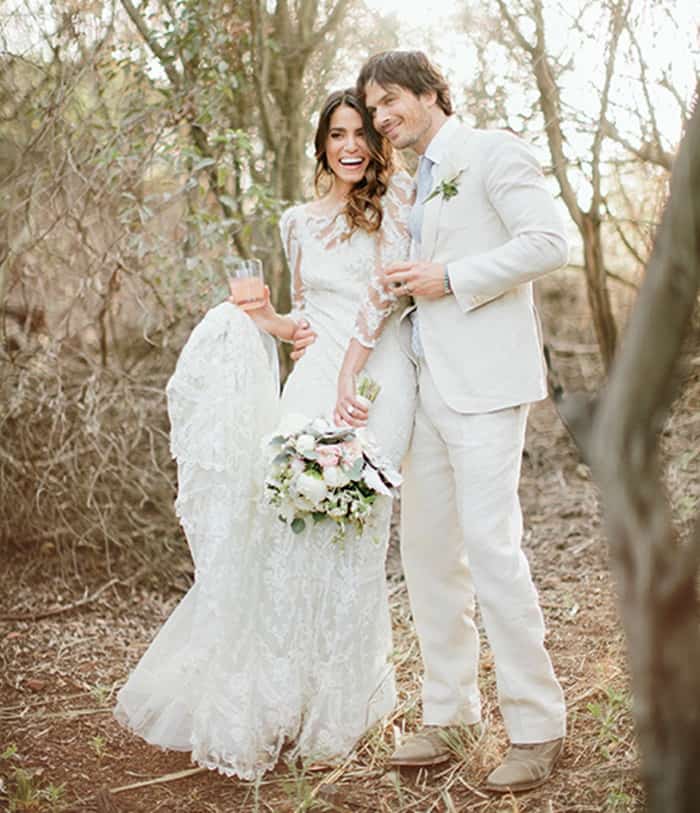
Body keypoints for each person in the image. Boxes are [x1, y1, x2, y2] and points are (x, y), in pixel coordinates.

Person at [113, 88, 416, 779]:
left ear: (377, 142)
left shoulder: (399, 204)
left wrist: (350, 377)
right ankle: (277, 698)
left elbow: (387, 297)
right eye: (336, 133)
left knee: (356, 529)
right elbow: (304, 311)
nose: (349, 145)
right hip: (310, 379)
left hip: (376, 379)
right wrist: (263, 319)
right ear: (321, 142)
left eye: (360, 133)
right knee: (283, 527)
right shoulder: (296, 222)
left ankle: (339, 709)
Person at [306, 51, 569, 793]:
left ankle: (537, 724)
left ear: (428, 92)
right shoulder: (407, 183)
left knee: (492, 550)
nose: (382, 118)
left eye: (390, 102)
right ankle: (452, 713)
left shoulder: (492, 151)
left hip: (486, 386)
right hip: (424, 391)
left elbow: (548, 242)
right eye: (372, 108)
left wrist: (449, 278)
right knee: (427, 557)